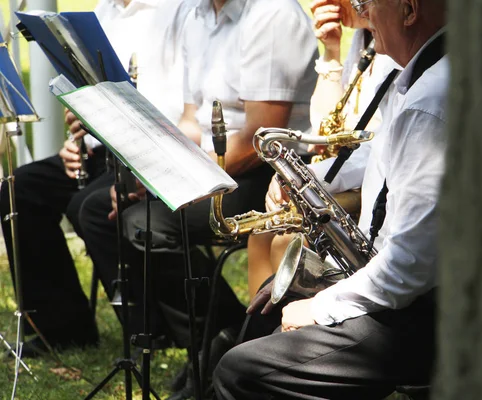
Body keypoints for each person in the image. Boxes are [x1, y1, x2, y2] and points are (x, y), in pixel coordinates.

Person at [79, 0, 318, 396]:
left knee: (144, 223)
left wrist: (179, 178)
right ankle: (215, 338)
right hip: (212, 165)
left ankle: (219, 344)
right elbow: (192, 122)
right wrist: (152, 168)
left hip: (267, 176)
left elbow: (258, 138)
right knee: (104, 207)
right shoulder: (198, 14)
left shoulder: (273, 14)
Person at [213, 0, 447, 398]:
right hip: (411, 293)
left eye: (369, 3)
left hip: (428, 315)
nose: (364, 14)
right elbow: (385, 153)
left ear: (409, 10)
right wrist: (312, 176)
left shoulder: (432, 102)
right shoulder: (427, 76)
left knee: (241, 372)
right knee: (266, 309)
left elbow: (408, 270)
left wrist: (321, 306)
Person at [0, 0, 186, 357]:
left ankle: (151, 332)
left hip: (152, 149)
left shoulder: (177, 10)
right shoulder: (105, 11)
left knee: (89, 206)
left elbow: (175, 106)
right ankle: (63, 326)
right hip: (103, 148)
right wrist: (78, 139)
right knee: (22, 188)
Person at [246, 0, 397, 298]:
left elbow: (377, 148)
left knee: (285, 238)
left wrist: (313, 179)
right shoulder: (362, 41)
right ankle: (264, 329)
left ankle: (291, 328)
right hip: (344, 171)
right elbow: (326, 126)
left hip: (373, 187)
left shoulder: (393, 48)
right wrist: (330, 52)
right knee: (260, 236)